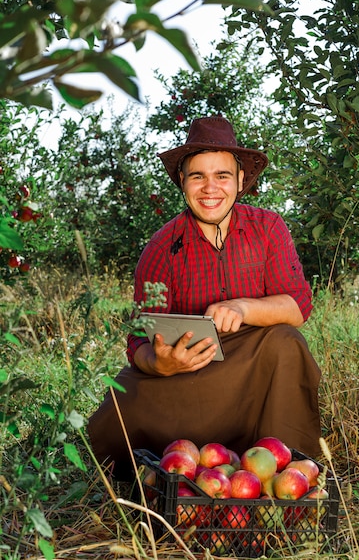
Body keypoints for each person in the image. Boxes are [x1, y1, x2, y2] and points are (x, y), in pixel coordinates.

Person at [87, 115, 322, 479]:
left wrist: (243, 308)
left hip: (253, 371)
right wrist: (160, 364)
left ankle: (282, 470)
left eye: (222, 176)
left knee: (287, 343)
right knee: (122, 402)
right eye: (198, 176)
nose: (210, 188)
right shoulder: (162, 247)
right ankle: (176, 467)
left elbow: (297, 307)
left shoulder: (268, 228)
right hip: (190, 380)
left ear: (241, 180)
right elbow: (139, 340)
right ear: (183, 182)